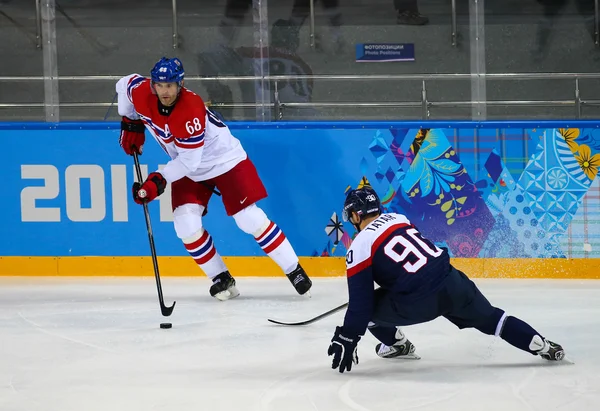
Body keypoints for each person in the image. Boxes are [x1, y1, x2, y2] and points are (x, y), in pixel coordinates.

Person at [115, 57, 312, 301]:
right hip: (190, 168)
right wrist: (130, 122)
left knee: (249, 219)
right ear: (153, 84)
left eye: (170, 86)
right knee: (185, 224)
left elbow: (189, 162)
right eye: (160, 85)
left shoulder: (190, 109)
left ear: (181, 84)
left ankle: (294, 270)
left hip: (224, 161)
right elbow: (123, 84)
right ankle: (221, 278)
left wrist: (157, 181)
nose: (164, 91)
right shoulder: (142, 92)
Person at [327, 186, 565, 373]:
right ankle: (542, 344)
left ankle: (398, 345)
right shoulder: (399, 219)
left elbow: (360, 303)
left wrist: (349, 335)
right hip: (452, 281)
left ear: (357, 215)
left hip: (418, 300)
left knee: (367, 312)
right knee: (493, 318)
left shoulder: (359, 244)